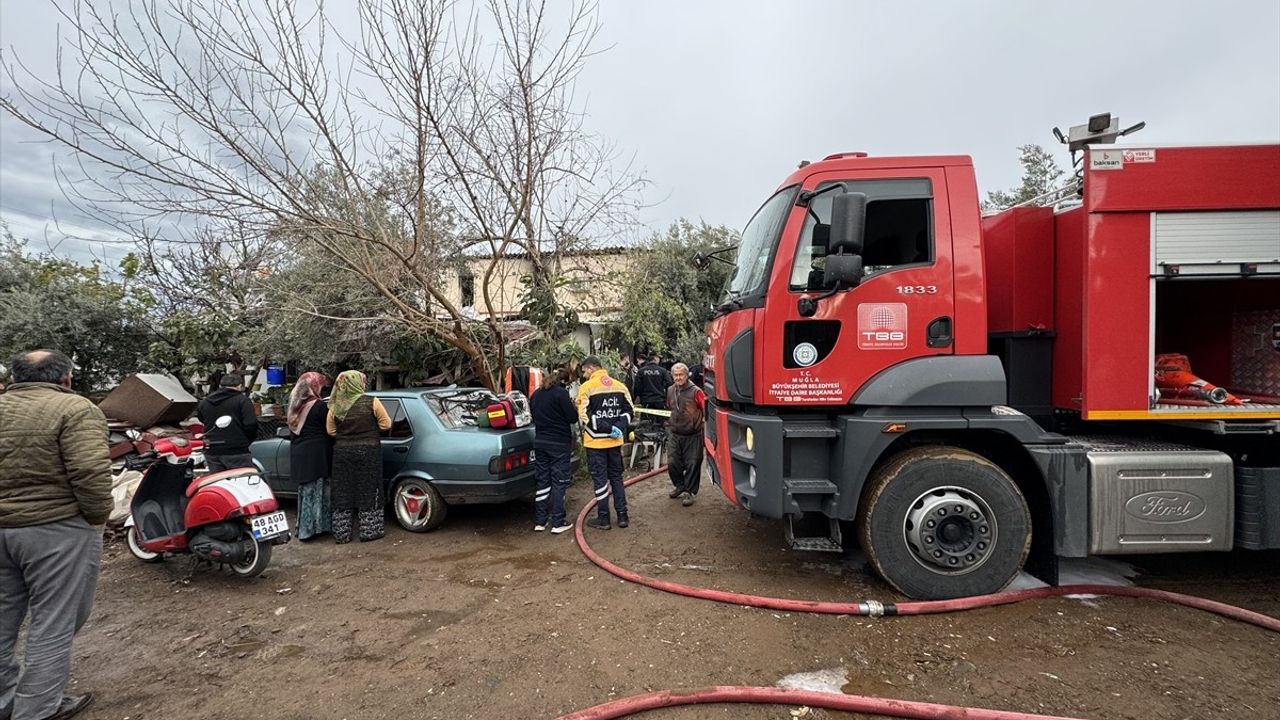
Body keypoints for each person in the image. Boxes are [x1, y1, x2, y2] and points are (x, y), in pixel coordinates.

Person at [0, 350, 110, 720]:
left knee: (2, 619)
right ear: (66, 378)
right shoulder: (75, 410)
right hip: (55, 529)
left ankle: (4, 702)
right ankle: (37, 709)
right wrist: (97, 518)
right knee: (54, 621)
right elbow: (90, 473)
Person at [326, 371, 391, 543]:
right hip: (369, 452)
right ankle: (370, 531)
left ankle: (342, 533)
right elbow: (386, 424)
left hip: (342, 453)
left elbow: (330, 431)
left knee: (342, 491)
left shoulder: (336, 406)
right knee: (369, 489)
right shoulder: (372, 401)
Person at [576, 356, 633, 530]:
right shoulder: (620, 386)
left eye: (585, 371)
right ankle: (622, 516)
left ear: (592, 368)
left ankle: (604, 518)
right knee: (616, 478)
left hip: (596, 444)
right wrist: (618, 427)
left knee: (600, 480)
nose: (584, 375)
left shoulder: (586, 388)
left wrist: (606, 427)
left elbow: (584, 415)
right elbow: (629, 410)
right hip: (615, 442)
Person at [530, 368, 577, 534]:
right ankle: (558, 522)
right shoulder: (561, 394)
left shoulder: (536, 394)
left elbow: (532, 416)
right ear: (564, 381)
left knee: (543, 481)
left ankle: (540, 521)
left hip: (540, 441)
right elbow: (573, 417)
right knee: (559, 482)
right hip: (559, 443)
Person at [287, 372, 333, 541]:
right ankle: (320, 527)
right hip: (318, 453)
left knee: (306, 491)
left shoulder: (293, 406)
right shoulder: (319, 406)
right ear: (314, 386)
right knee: (320, 490)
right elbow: (329, 428)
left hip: (299, 453)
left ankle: (305, 529)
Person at [196, 375, 259, 472]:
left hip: (212, 450)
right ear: (239, 386)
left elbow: (202, 419)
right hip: (236, 450)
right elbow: (251, 424)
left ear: (220, 386)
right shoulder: (242, 400)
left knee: (219, 483)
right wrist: (246, 440)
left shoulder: (205, 402)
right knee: (242, 482)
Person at [665, 363, 706, 507]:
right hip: (675, 433)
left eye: (680, 375)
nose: (678, 378)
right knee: (672, 462)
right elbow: (669, 407)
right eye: (675, 375)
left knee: (692, 463)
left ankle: (690, 491)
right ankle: (680, 485)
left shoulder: (696, 391)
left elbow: (705, 410)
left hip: (693, 434)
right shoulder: (670, 390)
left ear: (686, 375)